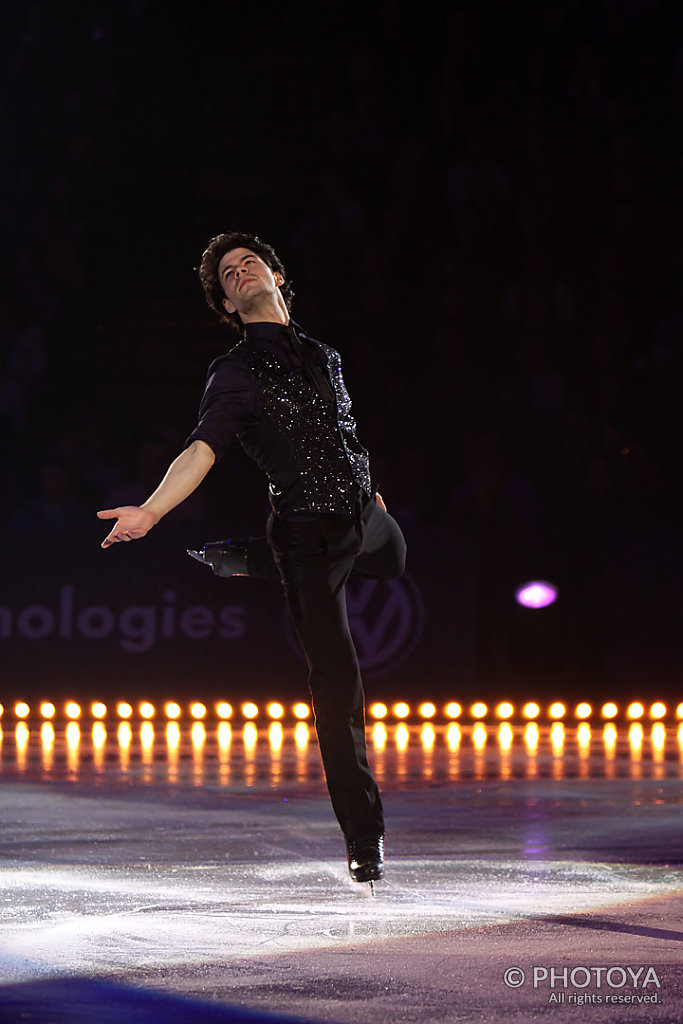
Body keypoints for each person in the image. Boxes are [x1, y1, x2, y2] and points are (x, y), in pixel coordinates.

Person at [98, 231, 407, 886]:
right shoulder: (235, 371)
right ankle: (364, 837)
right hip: (307, 536)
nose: (239, 273)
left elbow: (343, 433)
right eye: (227, 276)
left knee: (393, 559)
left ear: (275, 274)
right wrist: (152, 510)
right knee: (337, 690)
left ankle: (247, 560)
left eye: (248, 263)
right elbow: (201, 449)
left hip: (365, 520)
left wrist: (364, 486)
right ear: (228, 306)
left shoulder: (326, 353)